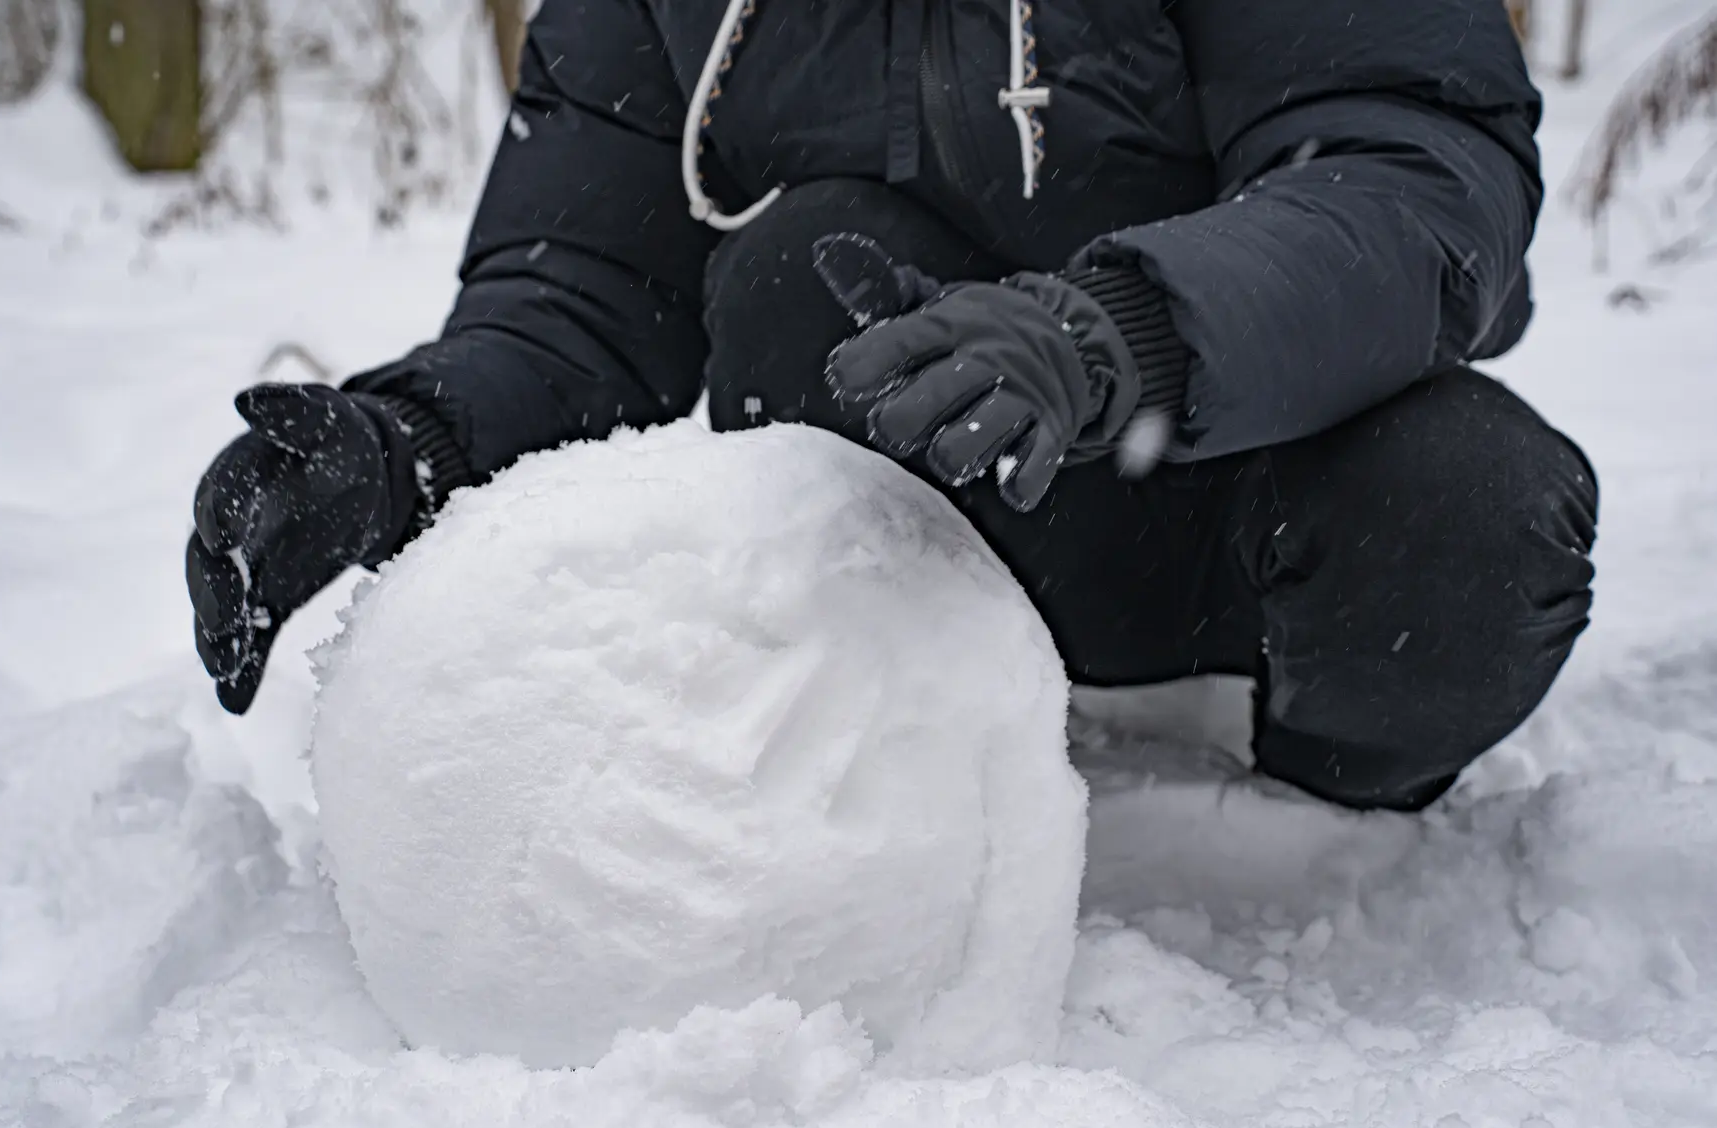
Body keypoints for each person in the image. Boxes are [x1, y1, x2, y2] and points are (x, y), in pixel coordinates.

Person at [187, 0, 1598, 812]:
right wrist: (408, 447)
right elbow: (583, 292)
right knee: (799, 263)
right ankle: (913, 776)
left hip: (1268, 499)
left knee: (1470, 511)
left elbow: (1410, 177)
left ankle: (1302, 842)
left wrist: (1121, 333)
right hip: (947, 537)